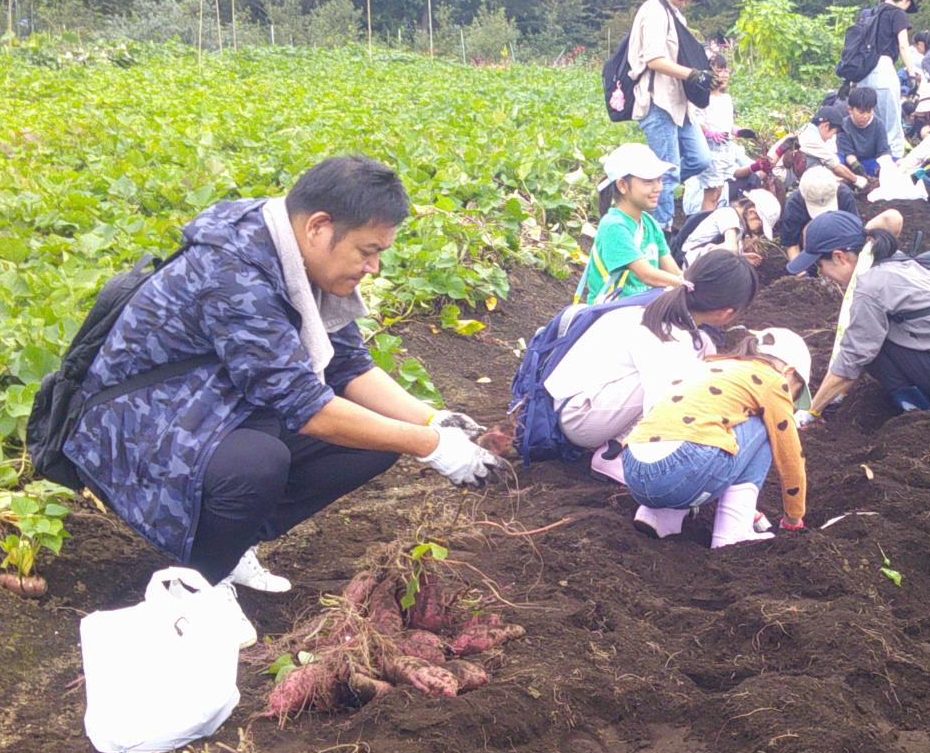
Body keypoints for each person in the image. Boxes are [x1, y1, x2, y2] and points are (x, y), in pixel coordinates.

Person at [65, 156, 502, 591]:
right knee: (258, 465)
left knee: (376, 443)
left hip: (208, 406)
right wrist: (429, 446)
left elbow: (346, 366)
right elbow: (306, 408)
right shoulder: (235, 275)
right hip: (131, 430)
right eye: (367, 252)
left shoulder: (295, 255)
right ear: (319, 227)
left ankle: (227, 545)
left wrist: (430, 421)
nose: (374, 268)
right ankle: (195, 584)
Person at [543, 251, 760, 483]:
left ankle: (618, 443)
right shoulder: (665, 334)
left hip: (589, 399)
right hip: (578, 417)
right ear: (727, 312)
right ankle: (614, 454)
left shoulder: (667, 302)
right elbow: (664, 405)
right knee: (680, 387)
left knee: (697, 363)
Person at [791, 212, 930, 432]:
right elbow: (892, 217)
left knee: (872, 347)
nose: (823, 274)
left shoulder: (871, 285)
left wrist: (811, 412)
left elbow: (854, 356)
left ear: (840, 257)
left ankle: (928, 420)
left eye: (820, 266)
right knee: (876, 335)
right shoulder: (898, 261)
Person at [622, 327, 812, 547]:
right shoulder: (773, 380)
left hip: (634, 470)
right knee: (765, 425)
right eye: (794, 395)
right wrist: (793, 517)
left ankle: (660, 516)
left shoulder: (709, 366)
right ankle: (733, 533)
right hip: (684, 470)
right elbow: (789, 455)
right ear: (788, 372)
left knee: (701, 428)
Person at [628, 0, 716, 226]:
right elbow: (654, 59)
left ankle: (641, 193)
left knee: (699, 159)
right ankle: (661, 231)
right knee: (666, 173)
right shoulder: (653, 10)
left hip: (679, 105)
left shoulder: (674, 14)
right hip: (658, 104)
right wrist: (693, 74)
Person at [579, 143, 687, 303]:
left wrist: (687, 281)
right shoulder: (614, 226)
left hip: (642, 308)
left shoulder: (649, 223)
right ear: (622, 185)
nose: (658, 187)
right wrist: (687, 285)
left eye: (659, 180)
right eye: (648, 181)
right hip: (611, 312)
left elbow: (671, 269)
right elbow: (646, 274)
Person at [860, 0, 918, 158]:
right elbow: (903, 46)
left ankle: (872, 166)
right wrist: (912, 74)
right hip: (883, 69)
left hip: (862, 72)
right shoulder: (897, 14)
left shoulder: (867, 14)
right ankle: (893, 167)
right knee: (892, 126)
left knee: (870, 123)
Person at [685, 52, 739, 214]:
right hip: (710, 150)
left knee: (718, 192)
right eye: (719, 71)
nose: (724, 75)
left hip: (725, 150)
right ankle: (702, 227)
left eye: (726, 70)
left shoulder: (726, 98)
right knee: (711, 193)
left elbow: (727, 124)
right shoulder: (701, 98)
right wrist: (709, 133)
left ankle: (712, 225)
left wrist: (737, 131)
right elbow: (697, 122)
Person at [681, 188, 779, 268]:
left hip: (701, 263)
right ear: (751, 212)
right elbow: (731, 248)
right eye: (760, 226)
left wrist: (743, 257)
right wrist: (737, 254)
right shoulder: (729, 215)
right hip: (689, 264)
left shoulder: (739, 225)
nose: (758, 232)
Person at [776, 164, 858, 250]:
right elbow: (791, 244)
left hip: (840, 242)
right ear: (802, 195)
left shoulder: (844, 195)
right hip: (808, 248)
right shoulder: (794, 204)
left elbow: (853, 233)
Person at [798, 101, 869, 193]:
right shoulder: (811, 139)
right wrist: (857, 180)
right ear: (825, 126)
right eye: (833, 133)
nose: (832, 137)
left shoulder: (812, 130)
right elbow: (835, 166)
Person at [838, 85, 893, 174]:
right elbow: (847, 153)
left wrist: (885, 165)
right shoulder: (844, 125)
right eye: (861, 112)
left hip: (872, 160)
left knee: (897, 162)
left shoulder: (878, 124)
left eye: (869, 111)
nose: (865, 116)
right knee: (838, 162)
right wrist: (855, 165)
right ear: (850, 110)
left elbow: (883, 150)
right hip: (850, 161)